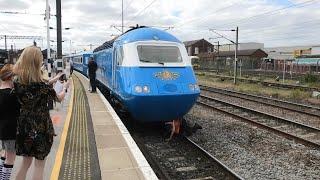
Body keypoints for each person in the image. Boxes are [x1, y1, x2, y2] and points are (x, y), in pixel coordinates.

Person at [13, 46, 67, 180]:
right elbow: (58, 98)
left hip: (24, 126)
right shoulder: (43, 87)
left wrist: (52, 80)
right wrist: (64, 88)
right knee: (39, 165)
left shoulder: (17, 83)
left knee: (25, 164)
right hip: (40, 127)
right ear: (38, 63)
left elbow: (36, 85)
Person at [0, 64, 20, 180]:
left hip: (2, 129)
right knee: (11, 158)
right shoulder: (11, 95)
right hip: (11, 130)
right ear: (11, 77)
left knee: (5, 154)